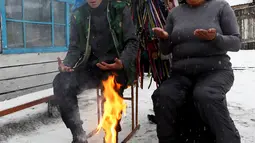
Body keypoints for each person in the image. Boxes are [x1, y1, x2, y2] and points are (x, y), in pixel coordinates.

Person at [152, 0, 242, 142]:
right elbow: (165, 50)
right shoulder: (175, 13)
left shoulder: (221, 7)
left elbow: (236, 43)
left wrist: (215, 38)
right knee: (163, 96)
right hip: (181, 74)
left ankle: (229, 139)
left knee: (206, 94)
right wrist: (164, 39)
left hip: (216, 70)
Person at [53, 0, 138, 142]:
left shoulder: (119, 9)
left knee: (112, 86)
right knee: (61, 82)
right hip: (90, 68)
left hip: (115, 67)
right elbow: (75, 48)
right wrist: (67, 64)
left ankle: (111, 135)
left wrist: (122, 62)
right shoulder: (78, 15)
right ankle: (78, 134)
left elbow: (132, 41)